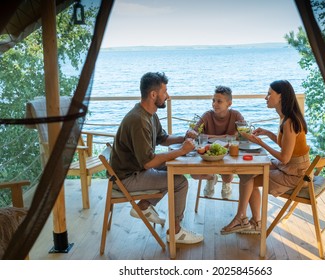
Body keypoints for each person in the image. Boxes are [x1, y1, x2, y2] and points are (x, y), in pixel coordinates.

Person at [110, 72, 203, 244]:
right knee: (180, 181)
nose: (168, 96)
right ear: (153, 94)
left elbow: (162, 138)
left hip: (134, 170)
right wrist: (182, 151)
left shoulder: (149, 114)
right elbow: (148, 163)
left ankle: (144, 206)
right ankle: (175, 232)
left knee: (173, 167)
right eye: (165, 91)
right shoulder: (138, 120)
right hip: (127, 178)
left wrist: (184, 137)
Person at [220, 80, 310, 234]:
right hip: (292, 167)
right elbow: (287, 147)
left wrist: (260, 142)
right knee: (248, 174)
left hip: (296, 174)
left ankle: (242, 219)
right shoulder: (286, 118)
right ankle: (254, 223)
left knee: (249, 180)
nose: (266, 97)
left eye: (269, 94)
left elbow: (285, 158)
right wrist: (268, 133)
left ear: (280, 96)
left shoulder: (289, 122)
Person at [186, 85, 245, 199]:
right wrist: (191, 132)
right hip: (208, 155)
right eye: (213, 100)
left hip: (227, 154)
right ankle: (210, 178)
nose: (214, 104)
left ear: (229, 103)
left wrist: (207, 136)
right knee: (194, 173)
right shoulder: (207, 115)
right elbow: (194, 132)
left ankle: (226, 183)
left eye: (219, 101)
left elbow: (243, 135)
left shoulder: (236, 115)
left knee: (227, 175)